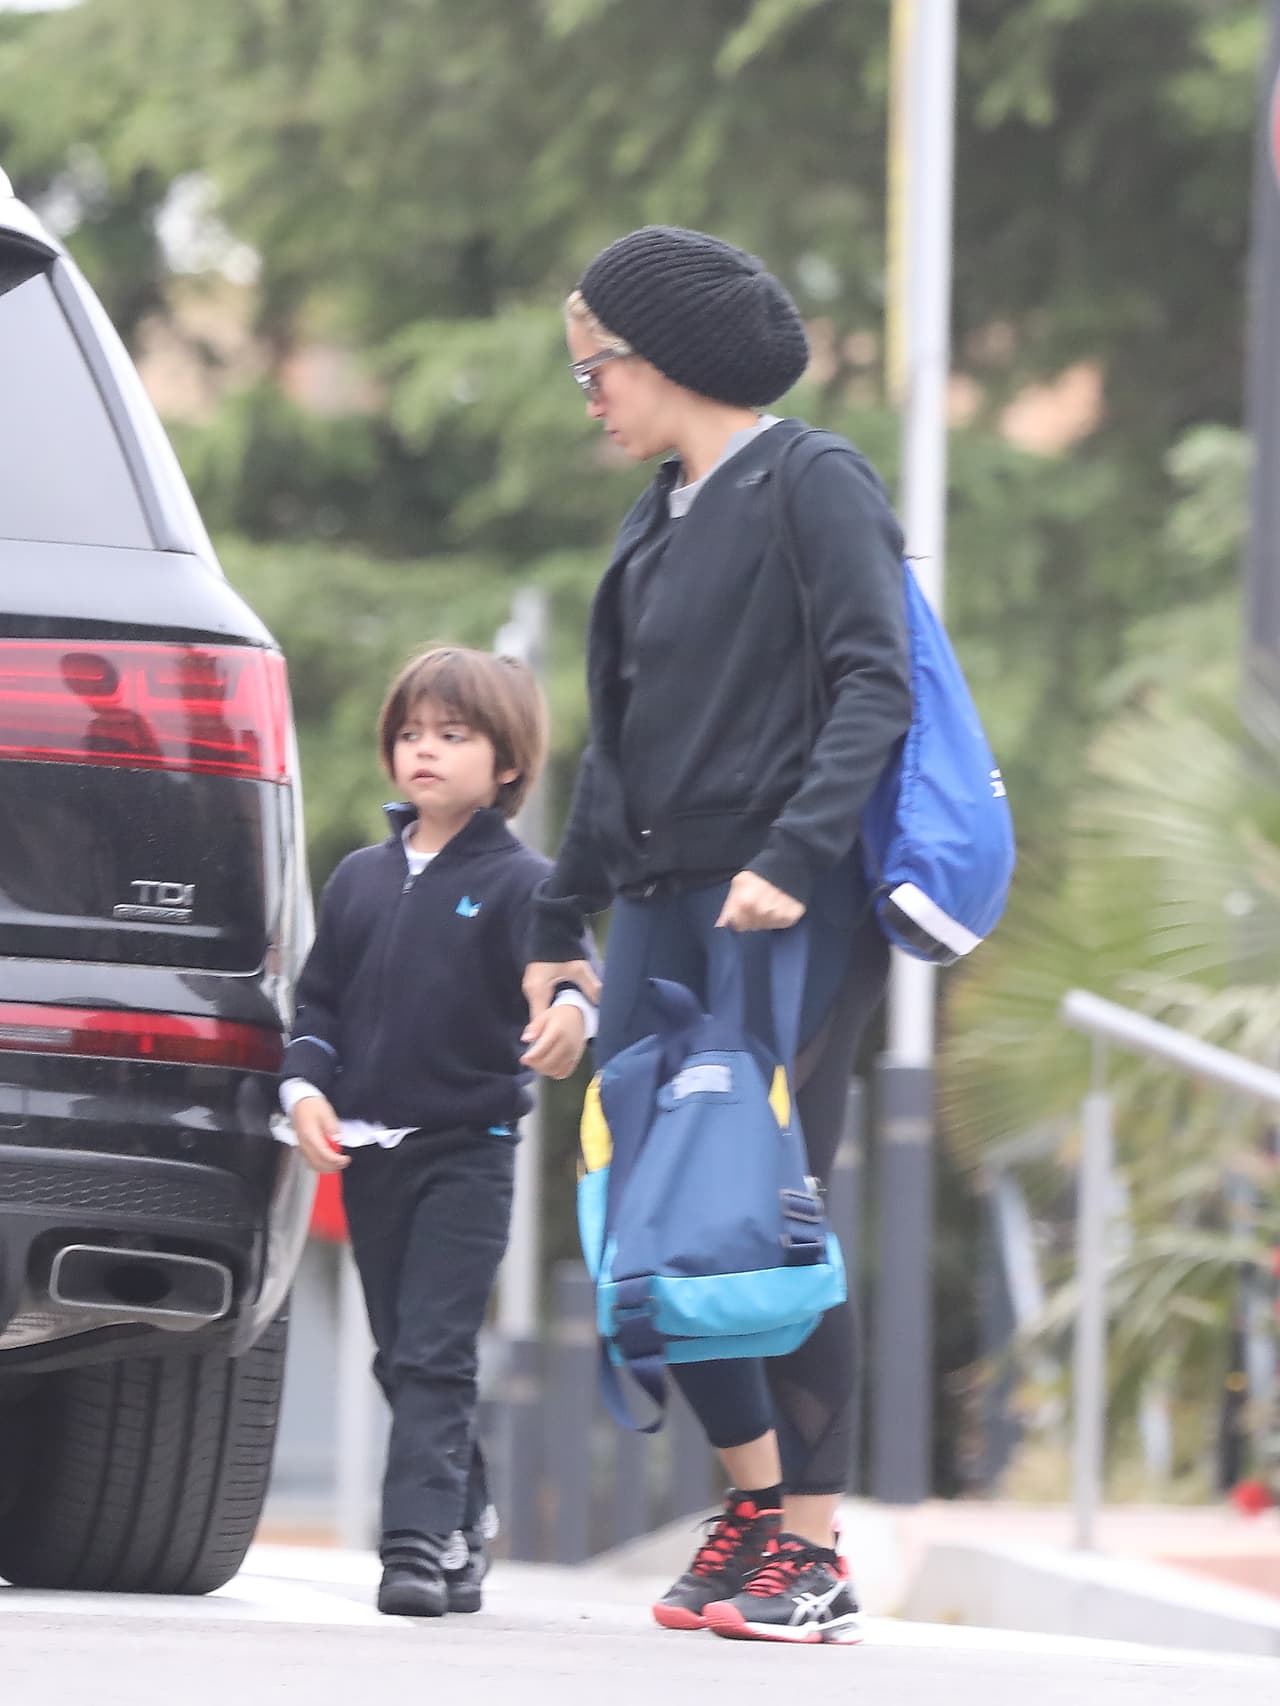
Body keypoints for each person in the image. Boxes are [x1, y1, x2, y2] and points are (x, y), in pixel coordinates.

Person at [523, 226, 913, 1646]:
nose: (590, 398)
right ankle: (752, 1505)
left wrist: (795, 856)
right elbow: (613, 755)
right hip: (658, 904)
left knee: (765, 1211)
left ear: (667, 356)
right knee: (651, 1225)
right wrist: (556, 914)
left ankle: (813, 1550)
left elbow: (878, 685)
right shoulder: (652, 522)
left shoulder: (816, 484)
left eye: (597, 368)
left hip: (783, 909)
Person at [282, 645, 596, 1619]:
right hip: (369, 1152)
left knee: (434, 1350)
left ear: (506, 762)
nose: (425, 750)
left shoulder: (523, 882)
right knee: (396, 1351)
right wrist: (302, 1089)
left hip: (469, 1149)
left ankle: (415, 1543)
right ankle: (467, 1508)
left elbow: (571, 971)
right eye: (412, 732)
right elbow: (318, 1003)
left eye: (453, 735)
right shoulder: (359, 879)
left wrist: (572, 1016)